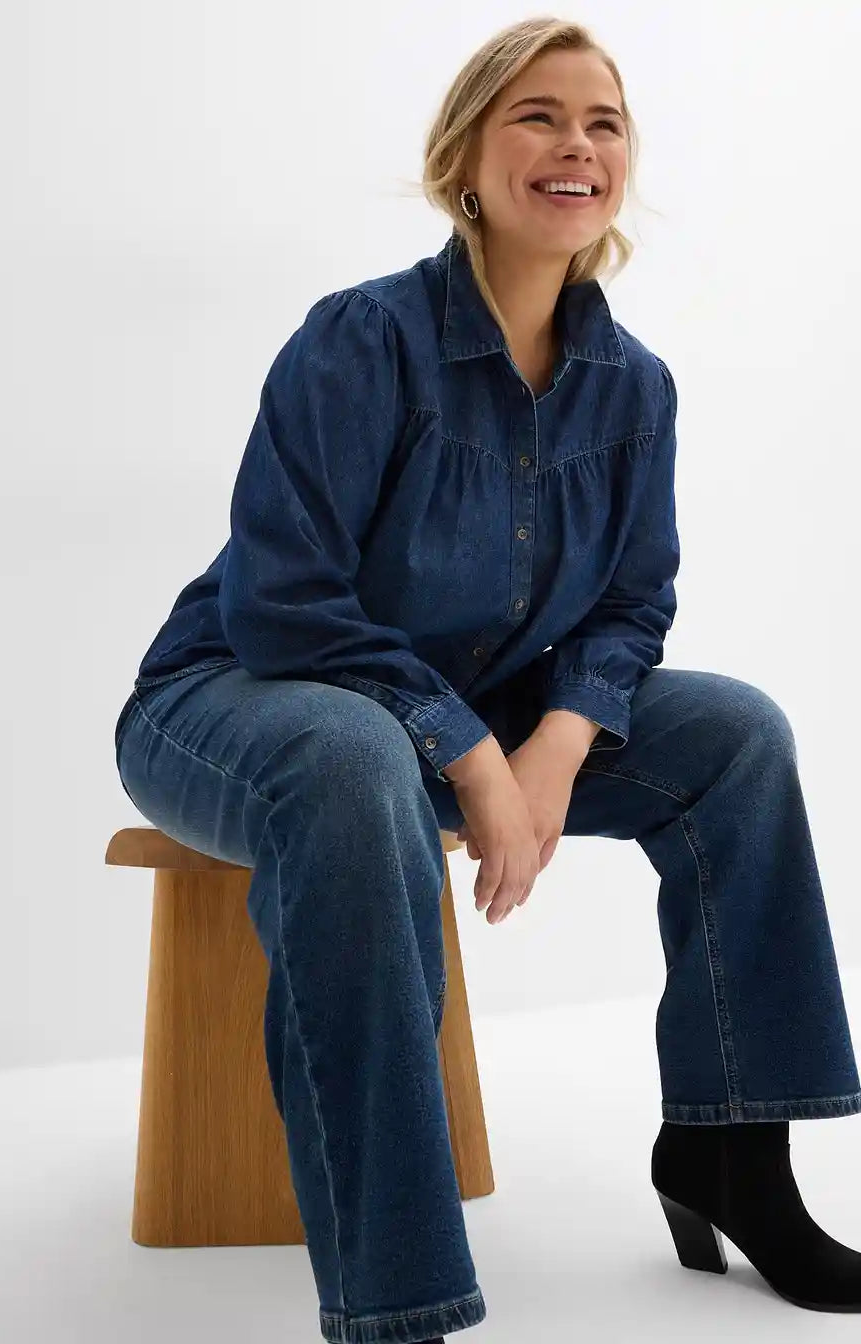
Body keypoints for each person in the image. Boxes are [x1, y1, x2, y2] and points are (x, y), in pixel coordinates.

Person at [113, 15, 861, 1338]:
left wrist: (556, 747)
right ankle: (396, 1300)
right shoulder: (361, 341)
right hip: (238, 699)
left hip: (479, 707)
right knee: (351, 757)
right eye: (538, 116)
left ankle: (733, 1155)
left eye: (604, 123)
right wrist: (472, 758)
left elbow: (631, 606)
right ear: (463, 157)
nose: (577, 144)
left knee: (738, 736)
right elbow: (285, 603)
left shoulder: (635, 389)